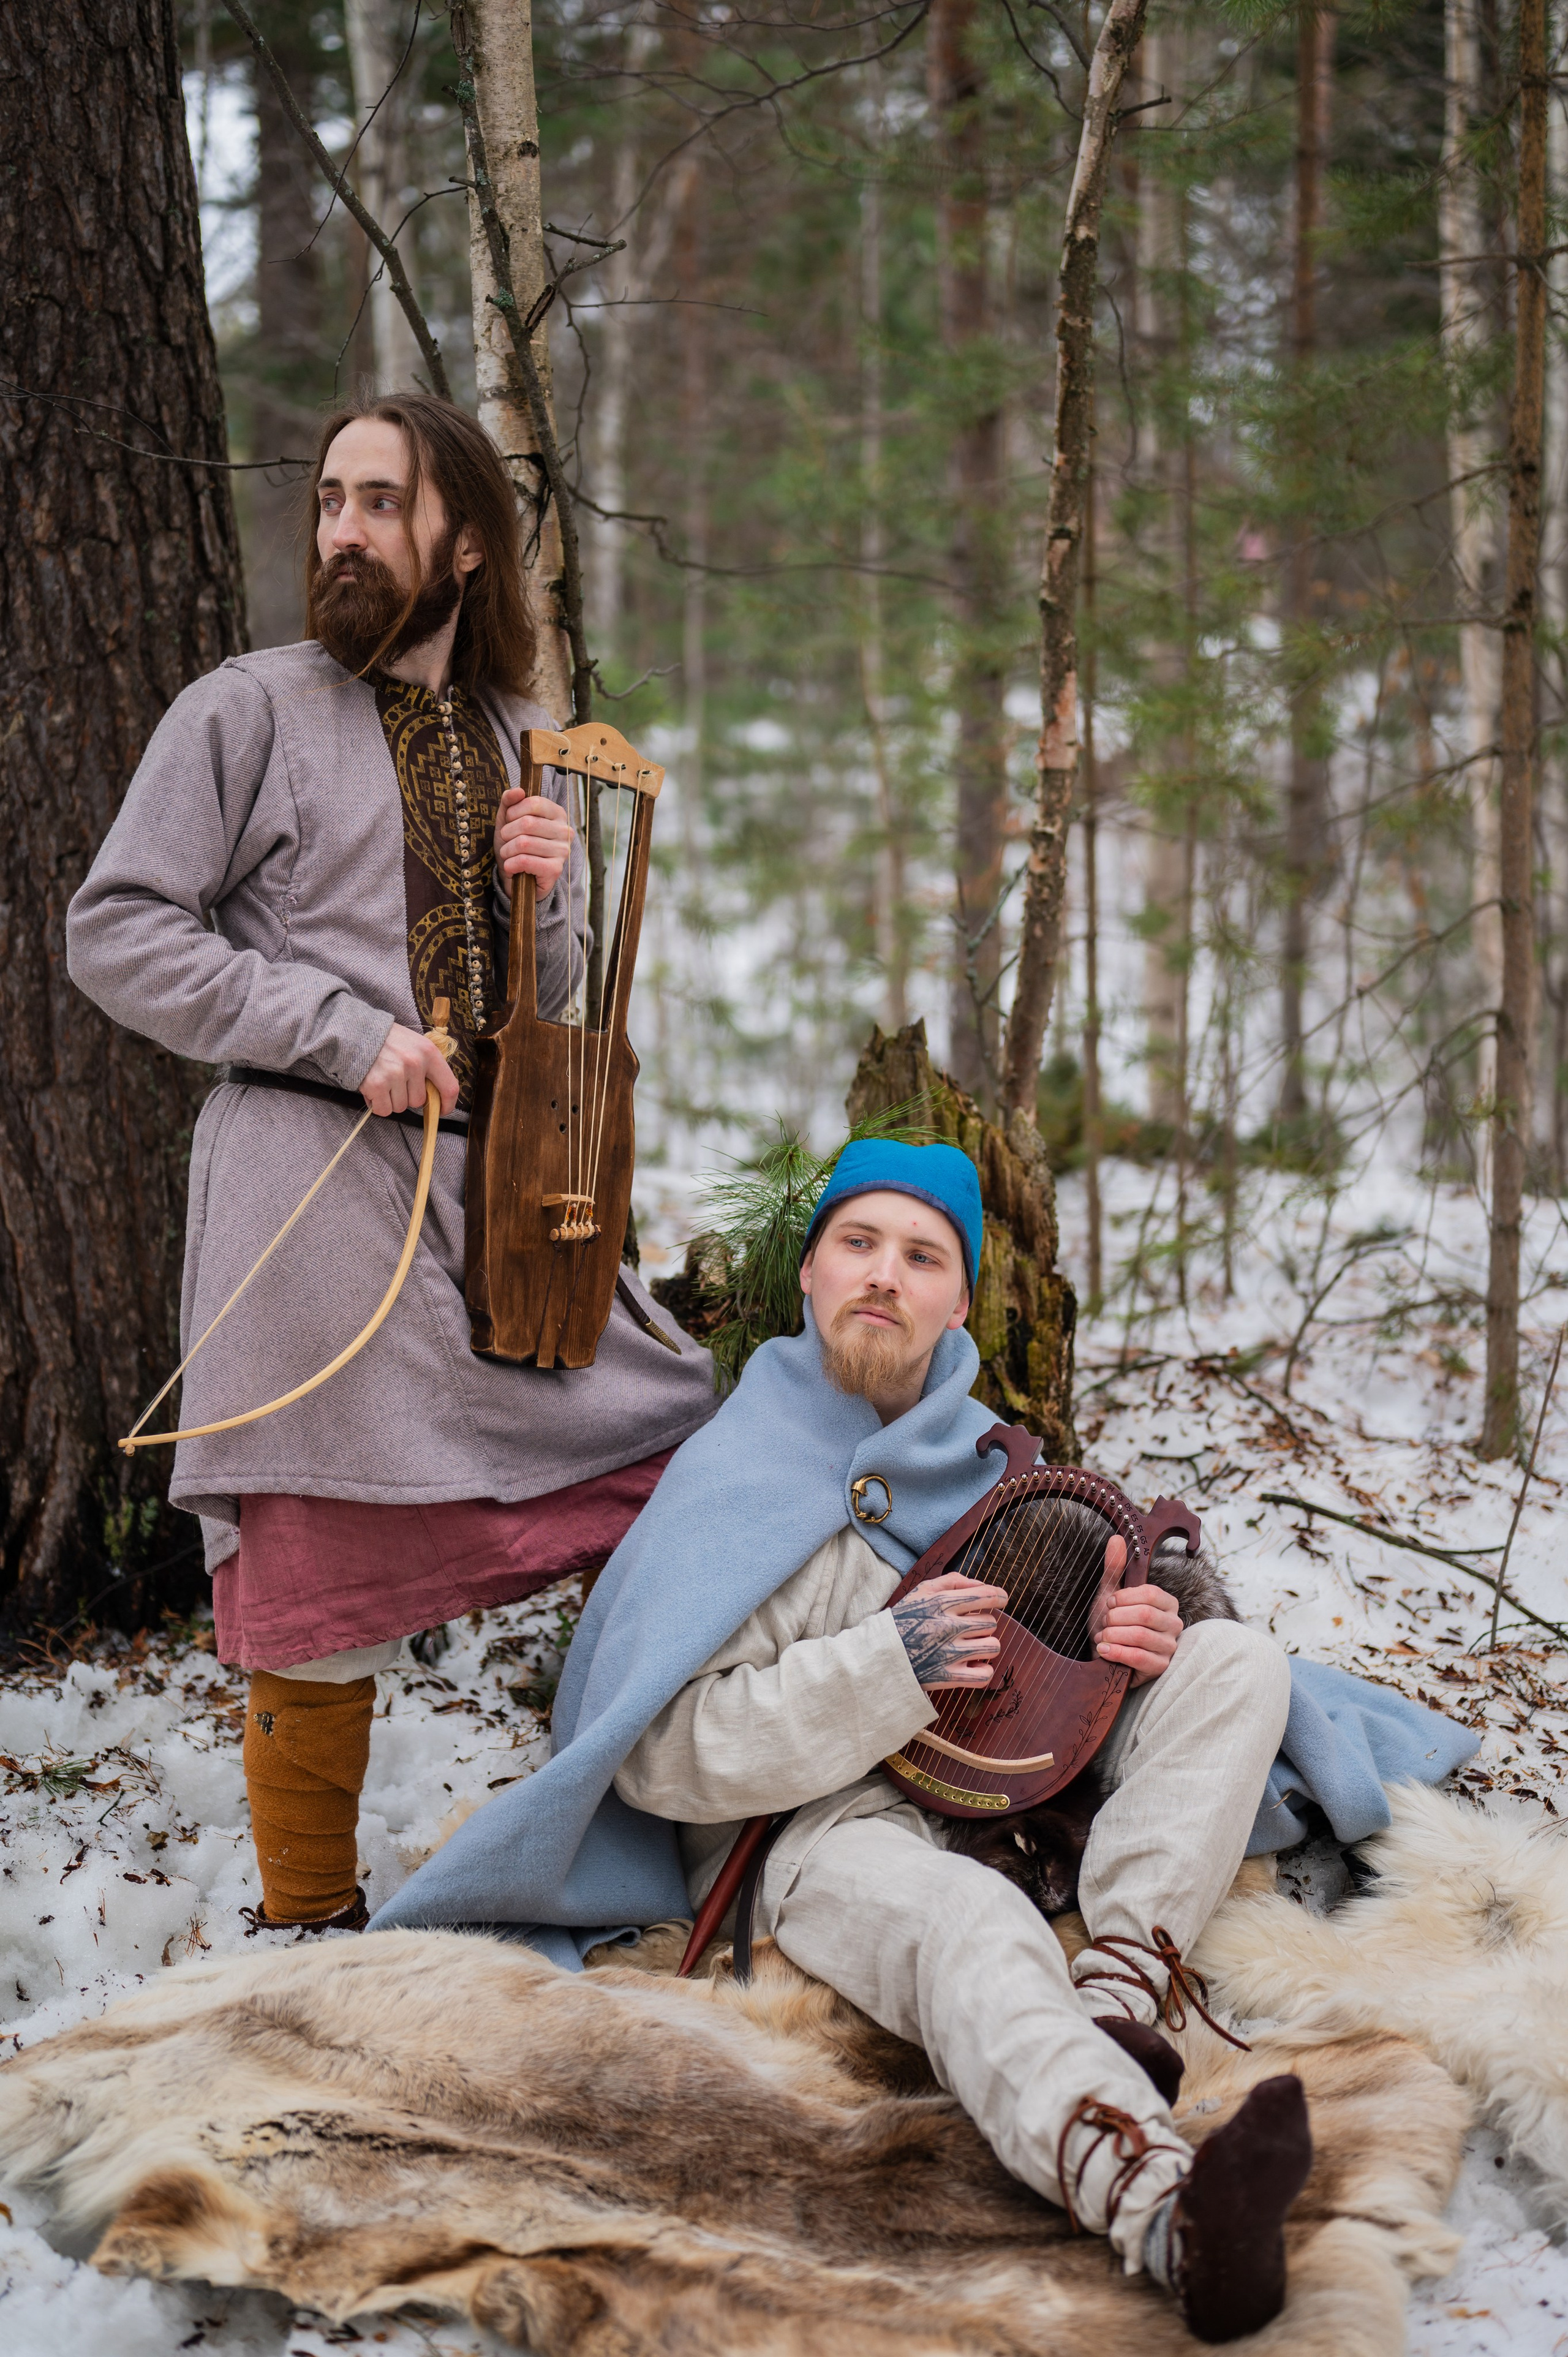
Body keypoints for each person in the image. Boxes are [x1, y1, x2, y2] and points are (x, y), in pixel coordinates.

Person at [66, 394, 718, 1934]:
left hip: (503, 1218)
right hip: (312, 1201)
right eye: (330, 503)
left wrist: (546, 896)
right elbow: (118, 929)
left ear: (466, 540)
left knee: (664, 1453)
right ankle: (308, 1927)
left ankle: (677, 1844)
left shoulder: (511, 735)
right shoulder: (246, 708)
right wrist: (331, 1030)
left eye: (381, 503)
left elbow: (532, 1011)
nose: (342, 532)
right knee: (324, 1563)